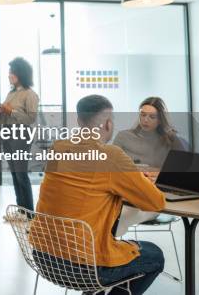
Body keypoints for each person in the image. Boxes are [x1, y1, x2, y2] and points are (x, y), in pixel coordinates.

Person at [34, 95, 166, 295]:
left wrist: (127, 179)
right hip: (80, 266)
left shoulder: (58, 148)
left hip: (42, 255)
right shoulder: (110, 155)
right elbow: (156, 202)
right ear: (108, 123)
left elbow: (82, 186)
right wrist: (137, 182)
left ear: (79, 121)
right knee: (154, 255)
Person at [0, 57, 38, 213]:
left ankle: (29, 213)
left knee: (21, 174)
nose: (9, 75)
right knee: (14, 173)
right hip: (7, 133)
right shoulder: (11, 93)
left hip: (20, 135)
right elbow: (7, 116)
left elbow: (31, 118)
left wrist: (11, 111)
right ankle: (21, 210)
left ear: (20, 73)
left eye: (11, 72)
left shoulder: (30, 94)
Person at [114, 96, 188, 169]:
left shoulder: (170, 139)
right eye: (143, 115)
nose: (146, 120)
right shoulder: (123, 137)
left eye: (152, 117)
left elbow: (183, 168)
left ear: (160, 120)